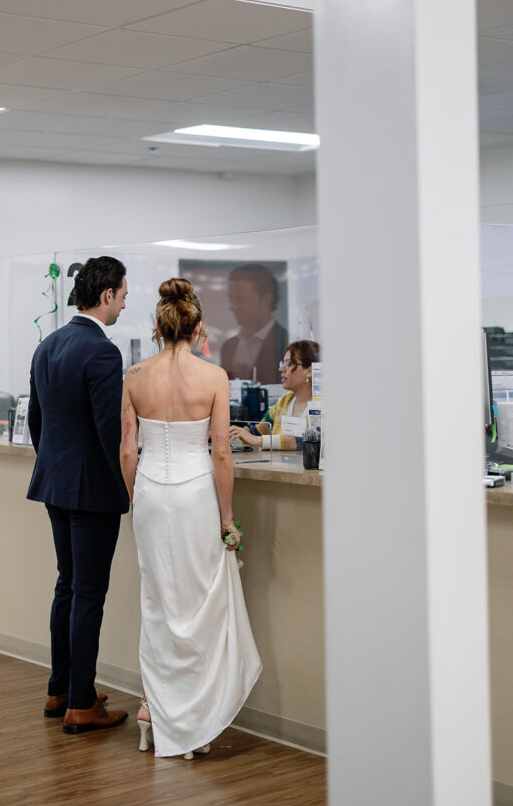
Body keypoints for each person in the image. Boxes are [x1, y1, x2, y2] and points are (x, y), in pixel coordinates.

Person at [120, 278, 262, 760]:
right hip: (196, 494)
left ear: (158, 327)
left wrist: (136, 498)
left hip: (150, 497)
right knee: (200, 603)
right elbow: (221, 452)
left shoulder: (135, 375)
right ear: (198, 327)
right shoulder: (214, 378)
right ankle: (194, 718)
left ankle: (150, 708)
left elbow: (127, 450)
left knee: (158, 601)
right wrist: (227, 517)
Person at [27, 256, 130, 735]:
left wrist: (55, 467)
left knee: (67, 586)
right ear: (107, 295)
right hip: (91, 490)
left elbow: (36, 423)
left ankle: (61, 687)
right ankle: (83, 704)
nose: (125, 303)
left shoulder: (47, 345)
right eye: (124, 295)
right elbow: (112, 431)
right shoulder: (103, 353)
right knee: (89, 593)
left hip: (54, 483)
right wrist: (127, 485)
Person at [229, 340, 321, 451]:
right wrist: (234, 433)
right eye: (283, 363)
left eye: (289, 364)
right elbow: (256, 432)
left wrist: (259, 440)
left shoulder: (322, 405)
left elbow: (309, 441)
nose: (281, 369)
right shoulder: (285, 401)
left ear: (310, 371)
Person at [220, 263, 288, 383]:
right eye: (231, 300)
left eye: (241, 300)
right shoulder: (228, 347)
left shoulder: (286, 343)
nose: (232, 307)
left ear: (267, 300)